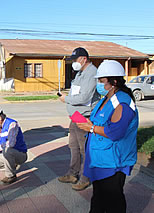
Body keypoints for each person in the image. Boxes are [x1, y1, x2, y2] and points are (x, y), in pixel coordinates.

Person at [76, 60, 138, 213]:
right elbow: (101, 121)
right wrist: (89, 123)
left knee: (113, 201)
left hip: (112, 162)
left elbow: (116, 132)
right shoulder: (106, 98)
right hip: (100, 159)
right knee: (98, 198)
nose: (99, 84)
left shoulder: (122, 102)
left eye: (101, 81)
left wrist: (91, 127)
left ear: (114, 81)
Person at [58, 47, 100, 191]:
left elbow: (85, 97)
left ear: (83, 59)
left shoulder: (92, 73)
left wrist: (66, 99)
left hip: (84, 116)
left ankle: (85, 178)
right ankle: (72, 173)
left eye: (75, 60)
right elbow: (75, 91)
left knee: (84, 149)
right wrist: (68, 99)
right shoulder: (80, 72)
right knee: (73, 146)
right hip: (75, 116)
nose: (74, 63)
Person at [0, 107, 28, 185]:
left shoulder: (12, 124)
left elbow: (10, 144)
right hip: (7, 154)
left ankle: (11, 176)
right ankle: (12, 167)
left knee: (7, 150)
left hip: (20, 154)